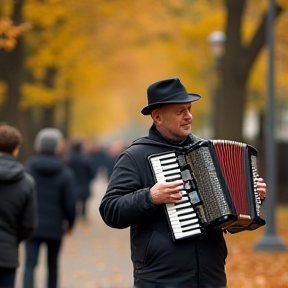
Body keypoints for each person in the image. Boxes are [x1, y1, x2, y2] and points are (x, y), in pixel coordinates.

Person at [99, 78, 267, 288]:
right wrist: (150, 197)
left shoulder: (207, 152)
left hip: (211, 276)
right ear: (157, 117)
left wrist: (253, 198)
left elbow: (227, 218)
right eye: (180, 111)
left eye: (189, 109)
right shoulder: (135, 156)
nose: (189, 117)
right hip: (160, 278)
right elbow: (110, 210)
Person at [22, 128, 77, 288]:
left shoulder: (28, 169)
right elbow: (70, 202)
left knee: (29, 265)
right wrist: (70, 223)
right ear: (57, 147)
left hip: (31, 225)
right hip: (55, 226)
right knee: (52, 265)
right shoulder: (65, 172)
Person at [0, 123, 37, 288]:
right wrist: (13, 239)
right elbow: (28, 224)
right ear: (16, 149)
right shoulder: (26, 182)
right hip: (7, 255)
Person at [67, 138, 95, 221]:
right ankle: (83, 214)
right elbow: (91, 172)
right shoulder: (85, 158)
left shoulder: (69, 158)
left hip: (72, 182)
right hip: (84, 182)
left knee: (73, 199)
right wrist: (89, 178)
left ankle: (75, 214)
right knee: (84, 200)